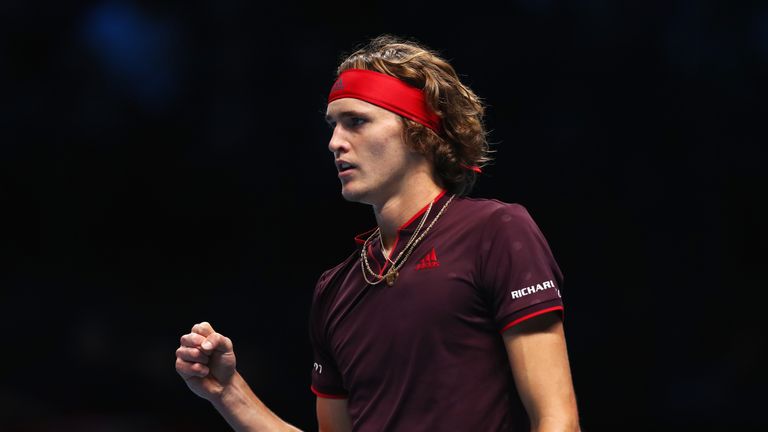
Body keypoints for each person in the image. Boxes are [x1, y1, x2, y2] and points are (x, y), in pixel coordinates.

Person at [175, 35, 580, 431]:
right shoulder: (334, 289)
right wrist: (228, 392)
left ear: (417, 130)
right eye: (333, 126)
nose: (335, 142)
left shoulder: (496, 231)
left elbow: (557, 420)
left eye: (356, 122)